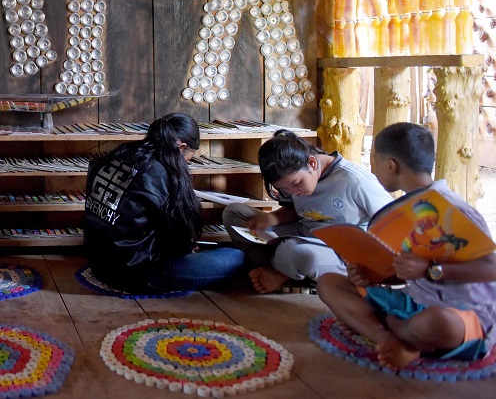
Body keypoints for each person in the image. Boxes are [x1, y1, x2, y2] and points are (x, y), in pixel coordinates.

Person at [318, 123, 496, 370]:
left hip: (465, 316)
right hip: (415, 301)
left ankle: (390, 331)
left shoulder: (456, 210)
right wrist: (366, 275)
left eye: (374, 161)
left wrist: (431, 270)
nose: (374, 169)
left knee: (434, 324)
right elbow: (401, 274)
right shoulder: (402, 214)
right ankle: (390, 339)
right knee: (329, 283)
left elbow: (492, 268)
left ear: (391, 165)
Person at [84, 113, 246, 293]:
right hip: (139, 273)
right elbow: (179, 239)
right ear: (182, 147)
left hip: (99, 263)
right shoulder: (164, 171)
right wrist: (187, 245)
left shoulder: (122, 152)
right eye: (190, 156)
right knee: (236, 257)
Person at [222, 130, 393, 294]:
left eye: (296, 184)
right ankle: (277, 271)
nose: (293, 191)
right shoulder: (295, 181)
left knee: (296, 252)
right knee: (234, 214)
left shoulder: (355, 180)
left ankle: (280, 273)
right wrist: (273, 218)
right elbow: (297, 210)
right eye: (285, 188)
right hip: (303, 232)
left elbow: (391, 221)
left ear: (312, 163)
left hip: (340, 254)